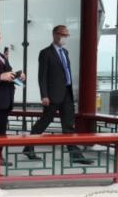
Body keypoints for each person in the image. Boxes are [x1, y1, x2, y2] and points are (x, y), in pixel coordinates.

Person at [24, 25, 93, 165]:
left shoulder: (65, 52)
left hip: (67, 93)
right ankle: (28, 146)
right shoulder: (45, 53)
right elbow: (42, 76)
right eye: (63, 34)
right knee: (45, 121)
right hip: (52, 95)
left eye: (67, 35)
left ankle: (76, 155)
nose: (66, 37)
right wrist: (44, 95)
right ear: (55, 34)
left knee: (68, 125)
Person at [0, 30, 26, 166]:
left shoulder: (0, 55)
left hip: (5, 100)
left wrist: (19, 77)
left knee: (1, 131)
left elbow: (9, 74)